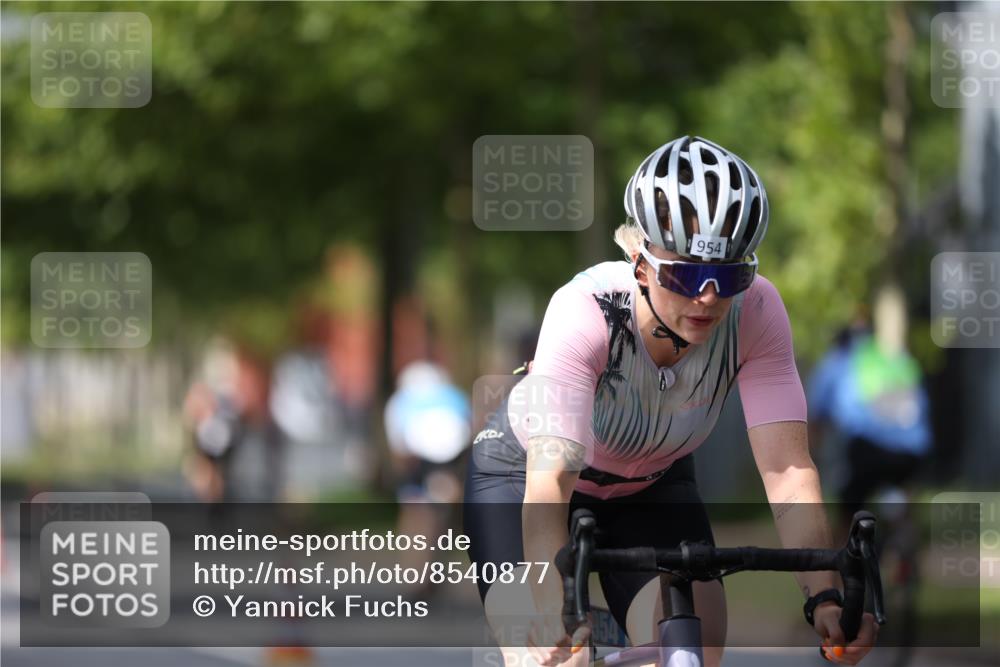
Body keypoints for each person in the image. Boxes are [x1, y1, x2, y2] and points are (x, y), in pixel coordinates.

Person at [463, 136, 878, 667]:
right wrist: (549, 607)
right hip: (524, 478)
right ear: (641, 263)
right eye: (686, 274)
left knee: (695, 648)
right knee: (555, 657)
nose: (708, 297)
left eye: (729, 275)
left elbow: (788, 470)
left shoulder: (757, 313)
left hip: (652, 485)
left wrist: (824, 596)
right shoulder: (584, 312)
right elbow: (551, 480)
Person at [808, 285, 932, 526]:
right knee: (900, 493)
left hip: (867, 448)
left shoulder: (837, 360)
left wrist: (812, 464)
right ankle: (902, 531)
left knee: (849, 502)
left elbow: (816, 420)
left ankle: (844, 544)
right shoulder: (898, 358)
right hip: (913, 451)